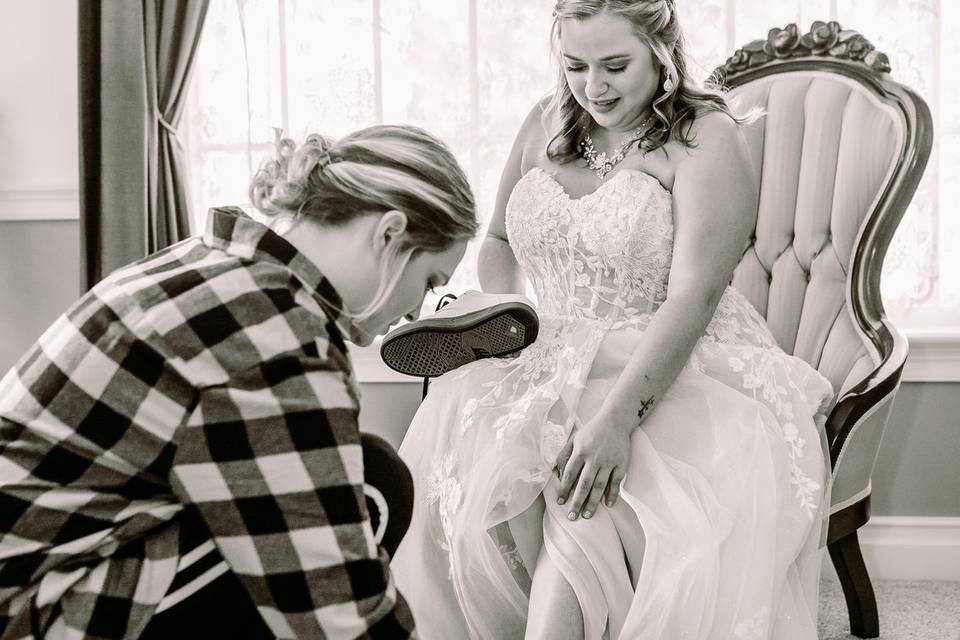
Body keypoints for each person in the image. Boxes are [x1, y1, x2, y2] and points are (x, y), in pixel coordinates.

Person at [391, 1, 834, 638]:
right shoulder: (544, 120)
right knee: (485, 446)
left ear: (662, 51)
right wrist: (510, 317)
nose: (593, 88)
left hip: (671, 358)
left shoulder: (706, 138)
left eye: (615, 66)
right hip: (546, 345)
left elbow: (693, 297)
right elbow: (498, 244)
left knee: (581, 485)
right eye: (575, 65)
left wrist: (617, 423)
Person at [0, 124, 477, 638]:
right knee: (374, 490)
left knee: (366, 472)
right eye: (430, 282)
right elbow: (336, 609)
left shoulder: (212, 261)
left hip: (36, 573)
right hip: (33, 609)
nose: (415, 313)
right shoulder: (274, 331)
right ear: (389, 235)